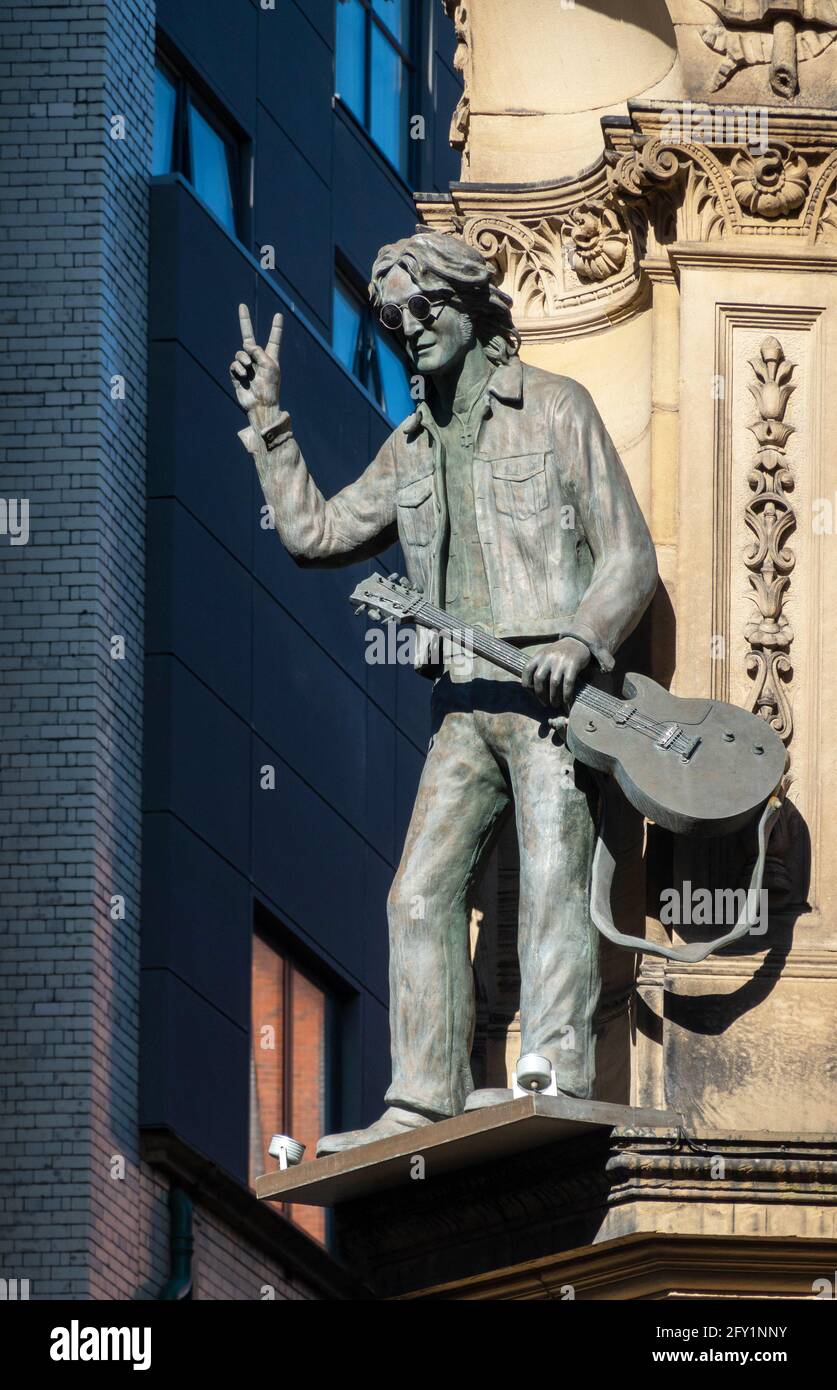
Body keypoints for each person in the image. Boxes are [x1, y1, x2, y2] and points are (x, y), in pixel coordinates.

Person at [231, 230, 658, 1154]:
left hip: (555, 699)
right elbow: (316, 533)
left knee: (552, 878)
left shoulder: (555, 409)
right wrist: (270, 423)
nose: (410, 325)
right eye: (393, 317)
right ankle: (422, 1099)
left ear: (471, 305)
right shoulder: (411, 448)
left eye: (426, 306)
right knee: (416, 894)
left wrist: (582, 641)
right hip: (463, 707)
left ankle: (553, 1067)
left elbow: (628, 553)